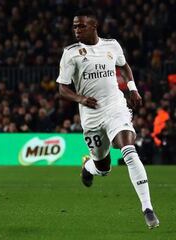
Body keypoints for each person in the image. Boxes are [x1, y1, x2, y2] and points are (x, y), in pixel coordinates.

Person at [56, 8, 159, 229]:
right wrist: (81, 99)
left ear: (94, 26)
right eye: (74, 26)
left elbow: (124, 66)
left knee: (129, 150)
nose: (76, 30)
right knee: (103, 167)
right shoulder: (71, 53)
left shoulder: (112, 45)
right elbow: (63, 89)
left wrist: (132, 88)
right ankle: (88, 166)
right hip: (91, 115)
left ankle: (147, 208)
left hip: (115, 106)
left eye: (81, 25)